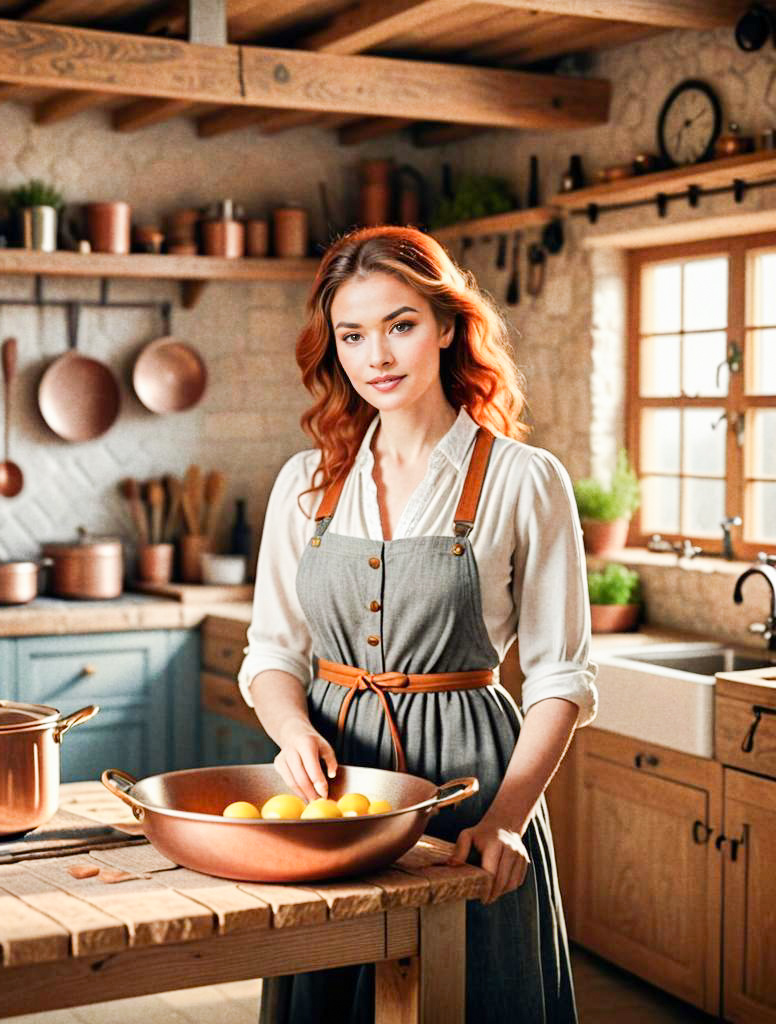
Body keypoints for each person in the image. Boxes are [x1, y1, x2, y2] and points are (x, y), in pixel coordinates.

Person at [236, 225, 598, 1024]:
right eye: (352, 335)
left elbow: (561, 678)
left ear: (444, 325)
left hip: (471, 791)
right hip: (334, 794)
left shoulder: (524, 479)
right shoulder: (307, 482)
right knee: (329, 995)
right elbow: (272, 652)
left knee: (467, 995)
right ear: (333, 348)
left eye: (399, 324)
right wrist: (294, 733)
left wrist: (507, 822)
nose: (378, 357)